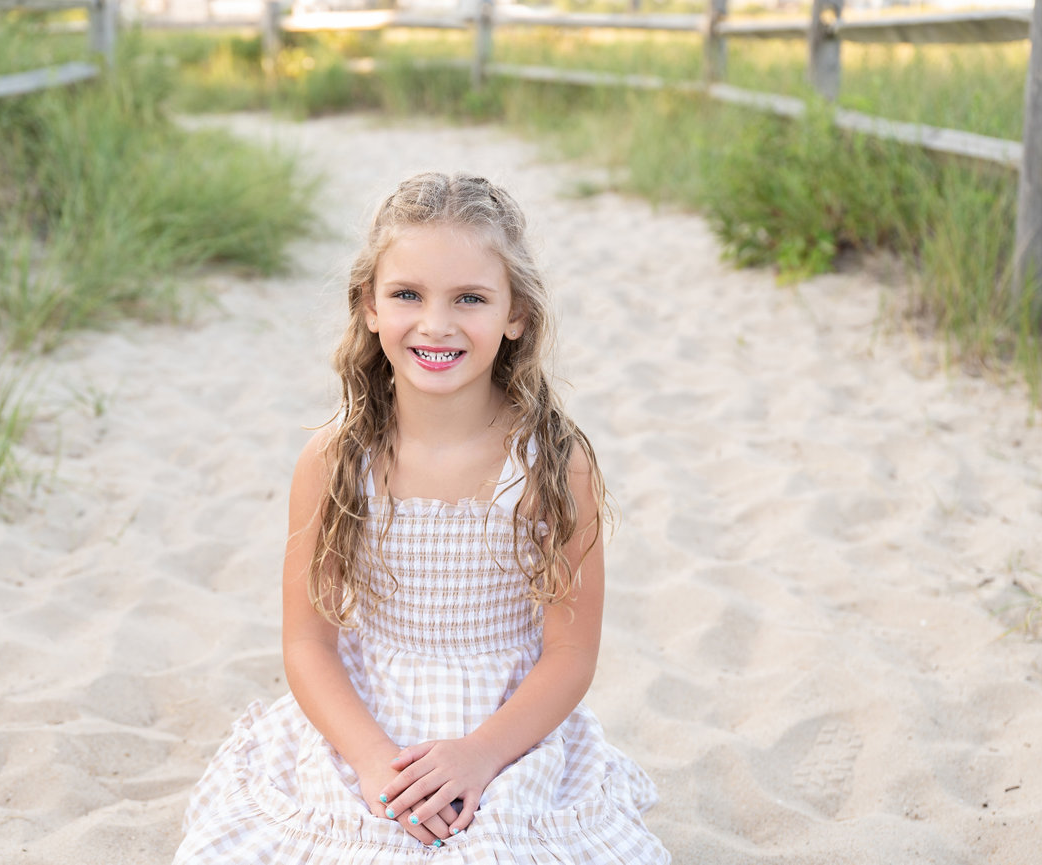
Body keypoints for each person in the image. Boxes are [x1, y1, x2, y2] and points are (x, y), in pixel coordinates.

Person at [172, 172, 669, 863]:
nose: (436, 324)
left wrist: (479, 754)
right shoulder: (333, 458)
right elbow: (307, 645)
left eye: (470, 298)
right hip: (366, 724)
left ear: (515, 313)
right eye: (407, 294)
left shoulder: (554, 462)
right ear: (370, 306)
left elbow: (570, 653)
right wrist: (375, 762)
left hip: (505, 728)